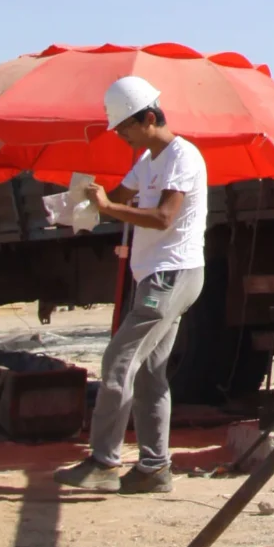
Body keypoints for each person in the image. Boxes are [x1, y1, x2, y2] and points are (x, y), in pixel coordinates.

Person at [54, 76, 207, 494]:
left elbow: (162, 218)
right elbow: (119, 199)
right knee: (150, 372)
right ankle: (154, 469)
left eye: (125, 127)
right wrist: (81, 208)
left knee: (119, 361)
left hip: (171, 275)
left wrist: (109, 207)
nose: (121, 136)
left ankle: (104, 462)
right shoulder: (150, 159)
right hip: (158, 276)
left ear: (151, 118)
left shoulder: (182, 157)